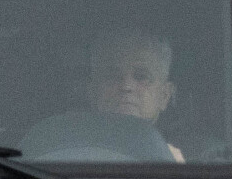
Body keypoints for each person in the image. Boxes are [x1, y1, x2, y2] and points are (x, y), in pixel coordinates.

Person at [18, 29, 186, 162]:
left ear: (164, 95)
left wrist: (178, 171)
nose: (126, 86)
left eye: (141, 77)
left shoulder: (201, 160)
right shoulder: (47, 142)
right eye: (112, 75)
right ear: (92, 91)